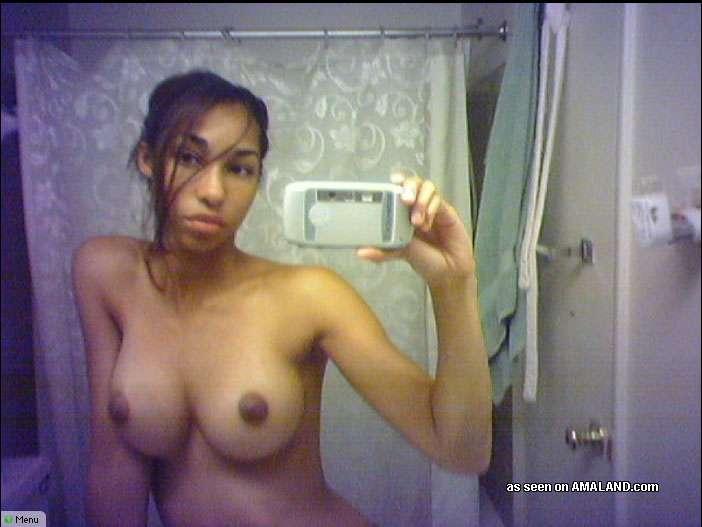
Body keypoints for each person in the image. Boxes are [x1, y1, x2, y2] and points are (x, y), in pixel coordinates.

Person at [72, 70, 492, 527]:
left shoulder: (310, 296)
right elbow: (113, 465)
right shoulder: (106, 273)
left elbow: (461, 451)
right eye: (189, 157)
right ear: (148, 159)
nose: (213, 191)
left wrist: (454, 285)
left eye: (239, 168)